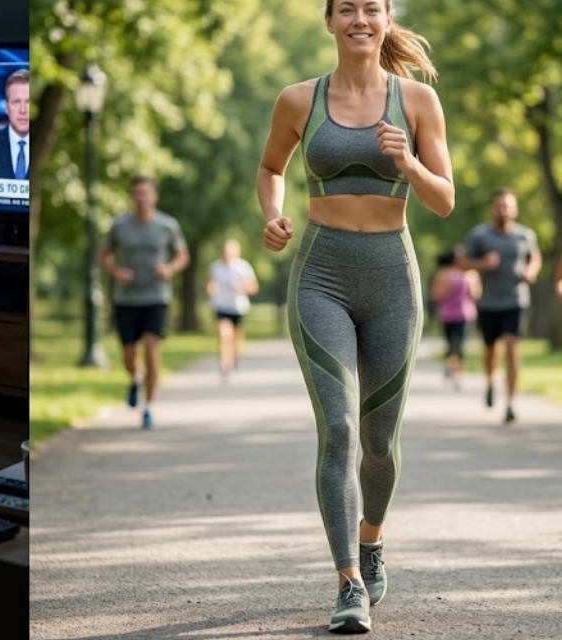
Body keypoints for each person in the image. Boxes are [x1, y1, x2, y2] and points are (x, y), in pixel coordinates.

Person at [257, 0, 454, 632]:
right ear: (330, 21)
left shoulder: (417, 101)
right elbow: (270, 168)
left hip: (393, 279)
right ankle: (349, 582)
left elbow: (445, 200)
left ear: (388, 19)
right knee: (339, 429)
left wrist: (409, 163)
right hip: (321, 276)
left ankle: (372, 539)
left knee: (379, 441)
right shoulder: (298, 100)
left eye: (372, 8)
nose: (359, 19)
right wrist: (273, 215)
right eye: (347, 8)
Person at [99, 176, 189, 430]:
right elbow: (104, 255)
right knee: (129, 357)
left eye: (146, 193)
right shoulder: (119, 225)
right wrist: (116, 272)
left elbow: (182, 255)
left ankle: (148, 407)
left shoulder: (167, 225)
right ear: (132, 196)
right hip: (126, 298)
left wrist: (169, 269)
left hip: (156, 297)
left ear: (154, 196)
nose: (141, 198)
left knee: (151, 348)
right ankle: (135, 378)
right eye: (137, 193)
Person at [457, 188, 541, 425]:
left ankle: (511, 403)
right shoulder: (480, 235)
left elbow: (534, 257)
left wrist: (530, 271)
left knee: (512, 347)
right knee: (490, 350)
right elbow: (462, 263)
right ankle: (490, 380)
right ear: (492, 209)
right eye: (499, 205)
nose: (503, 209)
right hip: (489, 303)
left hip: (516, 301)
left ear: (515, 209)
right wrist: (482, 264)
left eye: (508, 205)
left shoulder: (525, 235)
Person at [206, 238, 259, 381]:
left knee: (235, 338)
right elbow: (211, 283)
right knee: (224, 334)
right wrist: (211, 288)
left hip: (238, 308)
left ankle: (234, 356)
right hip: (221, 306)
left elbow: (254, 287)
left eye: (230, 252)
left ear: (236, 252)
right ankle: (224, 365)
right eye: (225, 252)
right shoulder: (215, 267)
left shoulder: (243, 267)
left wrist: (241, 287)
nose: (227, 255)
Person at [429, 247, 480, 389]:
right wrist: (448, 286)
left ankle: (459, 374)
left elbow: (476, 295)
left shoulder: (471, 274)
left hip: (465, 314)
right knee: (450, 344)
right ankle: (450, 366)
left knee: (460, 345)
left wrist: (471, 285)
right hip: (448, 315)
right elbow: (435, 295)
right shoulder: (443, 273)